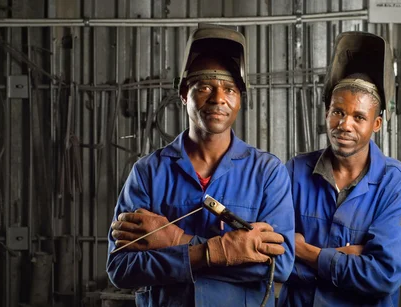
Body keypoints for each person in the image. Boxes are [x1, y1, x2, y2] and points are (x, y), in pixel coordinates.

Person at [106, 24, 295, 306]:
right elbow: (121, 268)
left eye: (229, 89)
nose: (218, 98)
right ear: (184, 93)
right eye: (205, 86)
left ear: (240, 99)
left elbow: (279, 266)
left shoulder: (267, 173)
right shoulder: (148, 173)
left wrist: (174, 239)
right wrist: (213, 252)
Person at [278, 32, 401, 307]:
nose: (344, 124)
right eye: (338, 112)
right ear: (327, 113)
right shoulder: (296, 171)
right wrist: (346, 257)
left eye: (359, 117)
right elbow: (275, 256)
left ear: (376, 124)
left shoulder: (397, 185)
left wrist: (307, 252)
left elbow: (383, 275)